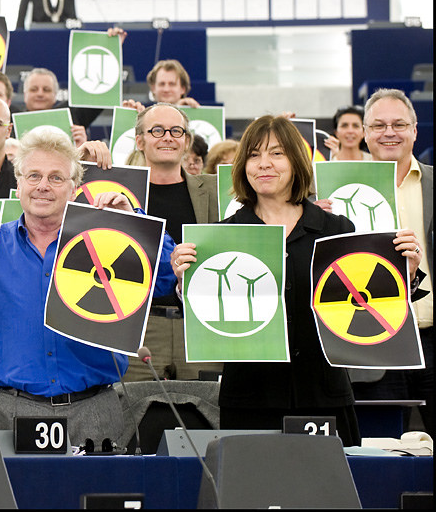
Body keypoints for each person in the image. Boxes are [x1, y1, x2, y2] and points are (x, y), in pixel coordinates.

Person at [171, 115, 423, 445]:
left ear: (296, 161)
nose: (264, 164)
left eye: (277, 153)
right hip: (250, 399)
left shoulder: (336, 230)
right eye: (254, 154)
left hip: (324, 396)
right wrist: (183, 283)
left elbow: (369, 304)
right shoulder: (223, 235)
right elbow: (209, 317)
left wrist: (407, 273)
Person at [0, 126, 177, 446]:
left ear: (74, 190)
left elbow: (168, 276)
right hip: (11, 411)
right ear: (17, 183)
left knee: (96, 497)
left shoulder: (105, 242)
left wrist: (132, 221)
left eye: (56, 178)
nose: (43, 186)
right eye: (33, 176)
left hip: (94, 409)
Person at [123, 104, 221, 382]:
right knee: (136, 418)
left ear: (187, 141)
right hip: (140, 326)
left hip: (201, 326)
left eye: (176, 131)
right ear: (140, 141)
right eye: (157, 130)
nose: (168, 136)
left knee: (206, 417)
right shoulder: (122, 195)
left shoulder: (214, 190)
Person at [354, 89, 432, 434]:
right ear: (365, 133)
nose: (390, 132)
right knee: (381, 448)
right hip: (374, 341)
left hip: (431, 335)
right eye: (379, 125)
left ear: (415, 130)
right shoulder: (342, 192)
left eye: (399, 124)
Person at [22, 68, 88, 146]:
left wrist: (81, 150)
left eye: (46, 90)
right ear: (25, 94)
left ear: (55, 95)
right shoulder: (10, 124)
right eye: (34, 89)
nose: (40, 94)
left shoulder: (71, 119)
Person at [123, 59, 200, 111]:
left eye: (172, 84)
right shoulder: (143, 119)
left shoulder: (198, 120)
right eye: (162, 84)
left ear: (183, 88)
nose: (166, 89)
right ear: (153, 88)